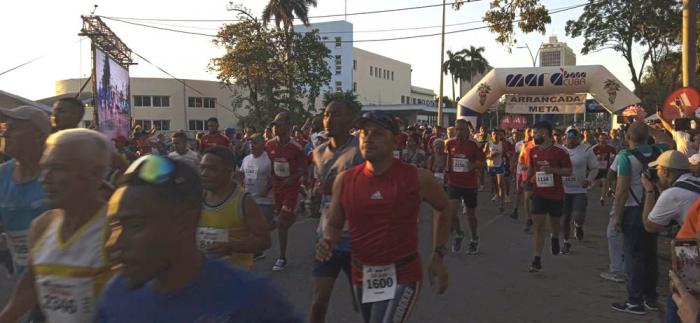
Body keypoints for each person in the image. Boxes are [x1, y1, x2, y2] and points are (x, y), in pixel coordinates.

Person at [97, 155, 302, 322]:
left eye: (135, 225)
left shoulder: (250, 300)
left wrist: (231, 246)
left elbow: (264, 240)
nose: (113, 243)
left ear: (184, 222)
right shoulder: (115, 295)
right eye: (115, 226)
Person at [316, 110, 449, 323]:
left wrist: (438, 254)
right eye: (364, 133)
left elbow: (444, 208)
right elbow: (334, 224)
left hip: (403, 274)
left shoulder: (418, 178)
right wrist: (328, 240)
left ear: (396, 141)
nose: (368, 138)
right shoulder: (345, 180)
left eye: (377, 133)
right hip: (363, 274)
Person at [0, 129, 113, 322]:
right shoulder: (42, 226)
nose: (45, 179)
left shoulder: (116, 230)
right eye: (44, 168)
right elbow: (26, 294)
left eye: (58, 168)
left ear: (95, 173)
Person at [309, 100, 364, 323]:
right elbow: (320, 190)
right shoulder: (318, 152)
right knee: (318, 302)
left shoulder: (361, 150)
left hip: (358, 240)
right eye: (326, 114)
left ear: (350, 121)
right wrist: (313, 200)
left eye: (336, 115)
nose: (329, 119)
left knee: (364, 304)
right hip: (328, 238)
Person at [610, 121, 668, 315]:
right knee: (650, 254)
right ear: (647, 136)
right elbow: (669, 140)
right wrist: (650, 129)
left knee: (633, 256)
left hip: (633, 210)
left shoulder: (625, 157)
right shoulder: (659, 150)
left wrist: (617, 217)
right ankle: (651, 297)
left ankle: (635, 301)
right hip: (654, 208)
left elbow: (621, 190)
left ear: (627, 137)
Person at [198, 146, 271, 269]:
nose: (204, 173)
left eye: (212, 169)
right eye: (202, 167)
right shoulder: (196, 198)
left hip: (236, 279)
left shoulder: (244, 202)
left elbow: (264, 241)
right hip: (202, 277)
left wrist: (231, 246)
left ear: (229, 171)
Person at [0, 106, 51, 276]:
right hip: (22, 282)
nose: (5, 134)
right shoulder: (2, 175)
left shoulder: (60, 172)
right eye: (5, 128)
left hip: (60, 282)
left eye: (12, 128)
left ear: (38, 136)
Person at [525, 121, 572, 272]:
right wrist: (525, 182)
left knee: (555, 223)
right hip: (539, 193)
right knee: (538, 226)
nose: (533, 136)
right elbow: (531, 169)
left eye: (536, 133)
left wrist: (552, 170)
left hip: (556, 194)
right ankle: (536, 259)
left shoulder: (560, 151)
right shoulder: (533, 151)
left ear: (545, 133)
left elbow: (568, 171)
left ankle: (555, 237)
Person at [266, 112, 306, 271]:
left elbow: (304, 168)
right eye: (274, 124)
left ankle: (281, 257)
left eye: (279, 124)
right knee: (279, 220)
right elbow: (266, 164)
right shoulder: (269, 145)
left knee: (282, 223)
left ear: (288, 127)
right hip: (276, 188)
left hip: (291, 188)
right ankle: (294, 214)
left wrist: (293, 178)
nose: (275, 128)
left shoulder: (296, 147)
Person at [445, 119, 485, 254]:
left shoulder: (474, 145)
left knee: (470, 215)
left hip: (469, 184)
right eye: (457, 129)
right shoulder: (450, 143)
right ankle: (459, 234)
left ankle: (474, 238)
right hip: (453, 182)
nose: (459, 132)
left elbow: (481, 163)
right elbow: (448, 159)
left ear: (467, 131)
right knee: (451, 212)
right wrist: (447, 169)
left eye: (462, 129)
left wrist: (472, 165)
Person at [641, 150, 700, 235]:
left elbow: (649, 226)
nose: (657, 173)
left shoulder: (672, 194)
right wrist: (661, 188)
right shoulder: (695, 182)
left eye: (657, 169)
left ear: (665, 172)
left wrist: (649, 191)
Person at [560, 126, 598, 255]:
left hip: (579, 189)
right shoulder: (560, 150)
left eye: (574, 138)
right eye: (569, 138)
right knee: (565, 218)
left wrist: (589, 179)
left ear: (578, 138)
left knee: (578, 216)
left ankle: (579, 226)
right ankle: (566, 242)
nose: (571, 141)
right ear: (565, 137)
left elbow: (594, 167)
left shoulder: (586, 149)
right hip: (563, 188)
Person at [240, 134, 275, 229]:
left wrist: (266, 190)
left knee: (264, 229)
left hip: (264, 202)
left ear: (263, 144)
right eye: (251, 143)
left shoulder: (268, 159)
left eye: (255, 143)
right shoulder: (246, 159)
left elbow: (274, 178)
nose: (251, 145)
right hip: (249, 200)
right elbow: (241, 174)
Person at [484, 129, 507, 212]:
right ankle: (497, 194)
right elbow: (484, 154)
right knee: (494, 183)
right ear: (491, 135)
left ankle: (501, 203)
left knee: (500, 183)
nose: (496, 136)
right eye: (494, 134)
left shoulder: (502, 144)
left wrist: (506, 158)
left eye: (497, 134)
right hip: (491, 165)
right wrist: (490, 155)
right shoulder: (488, 144)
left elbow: (506, 154)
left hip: (500, 165)